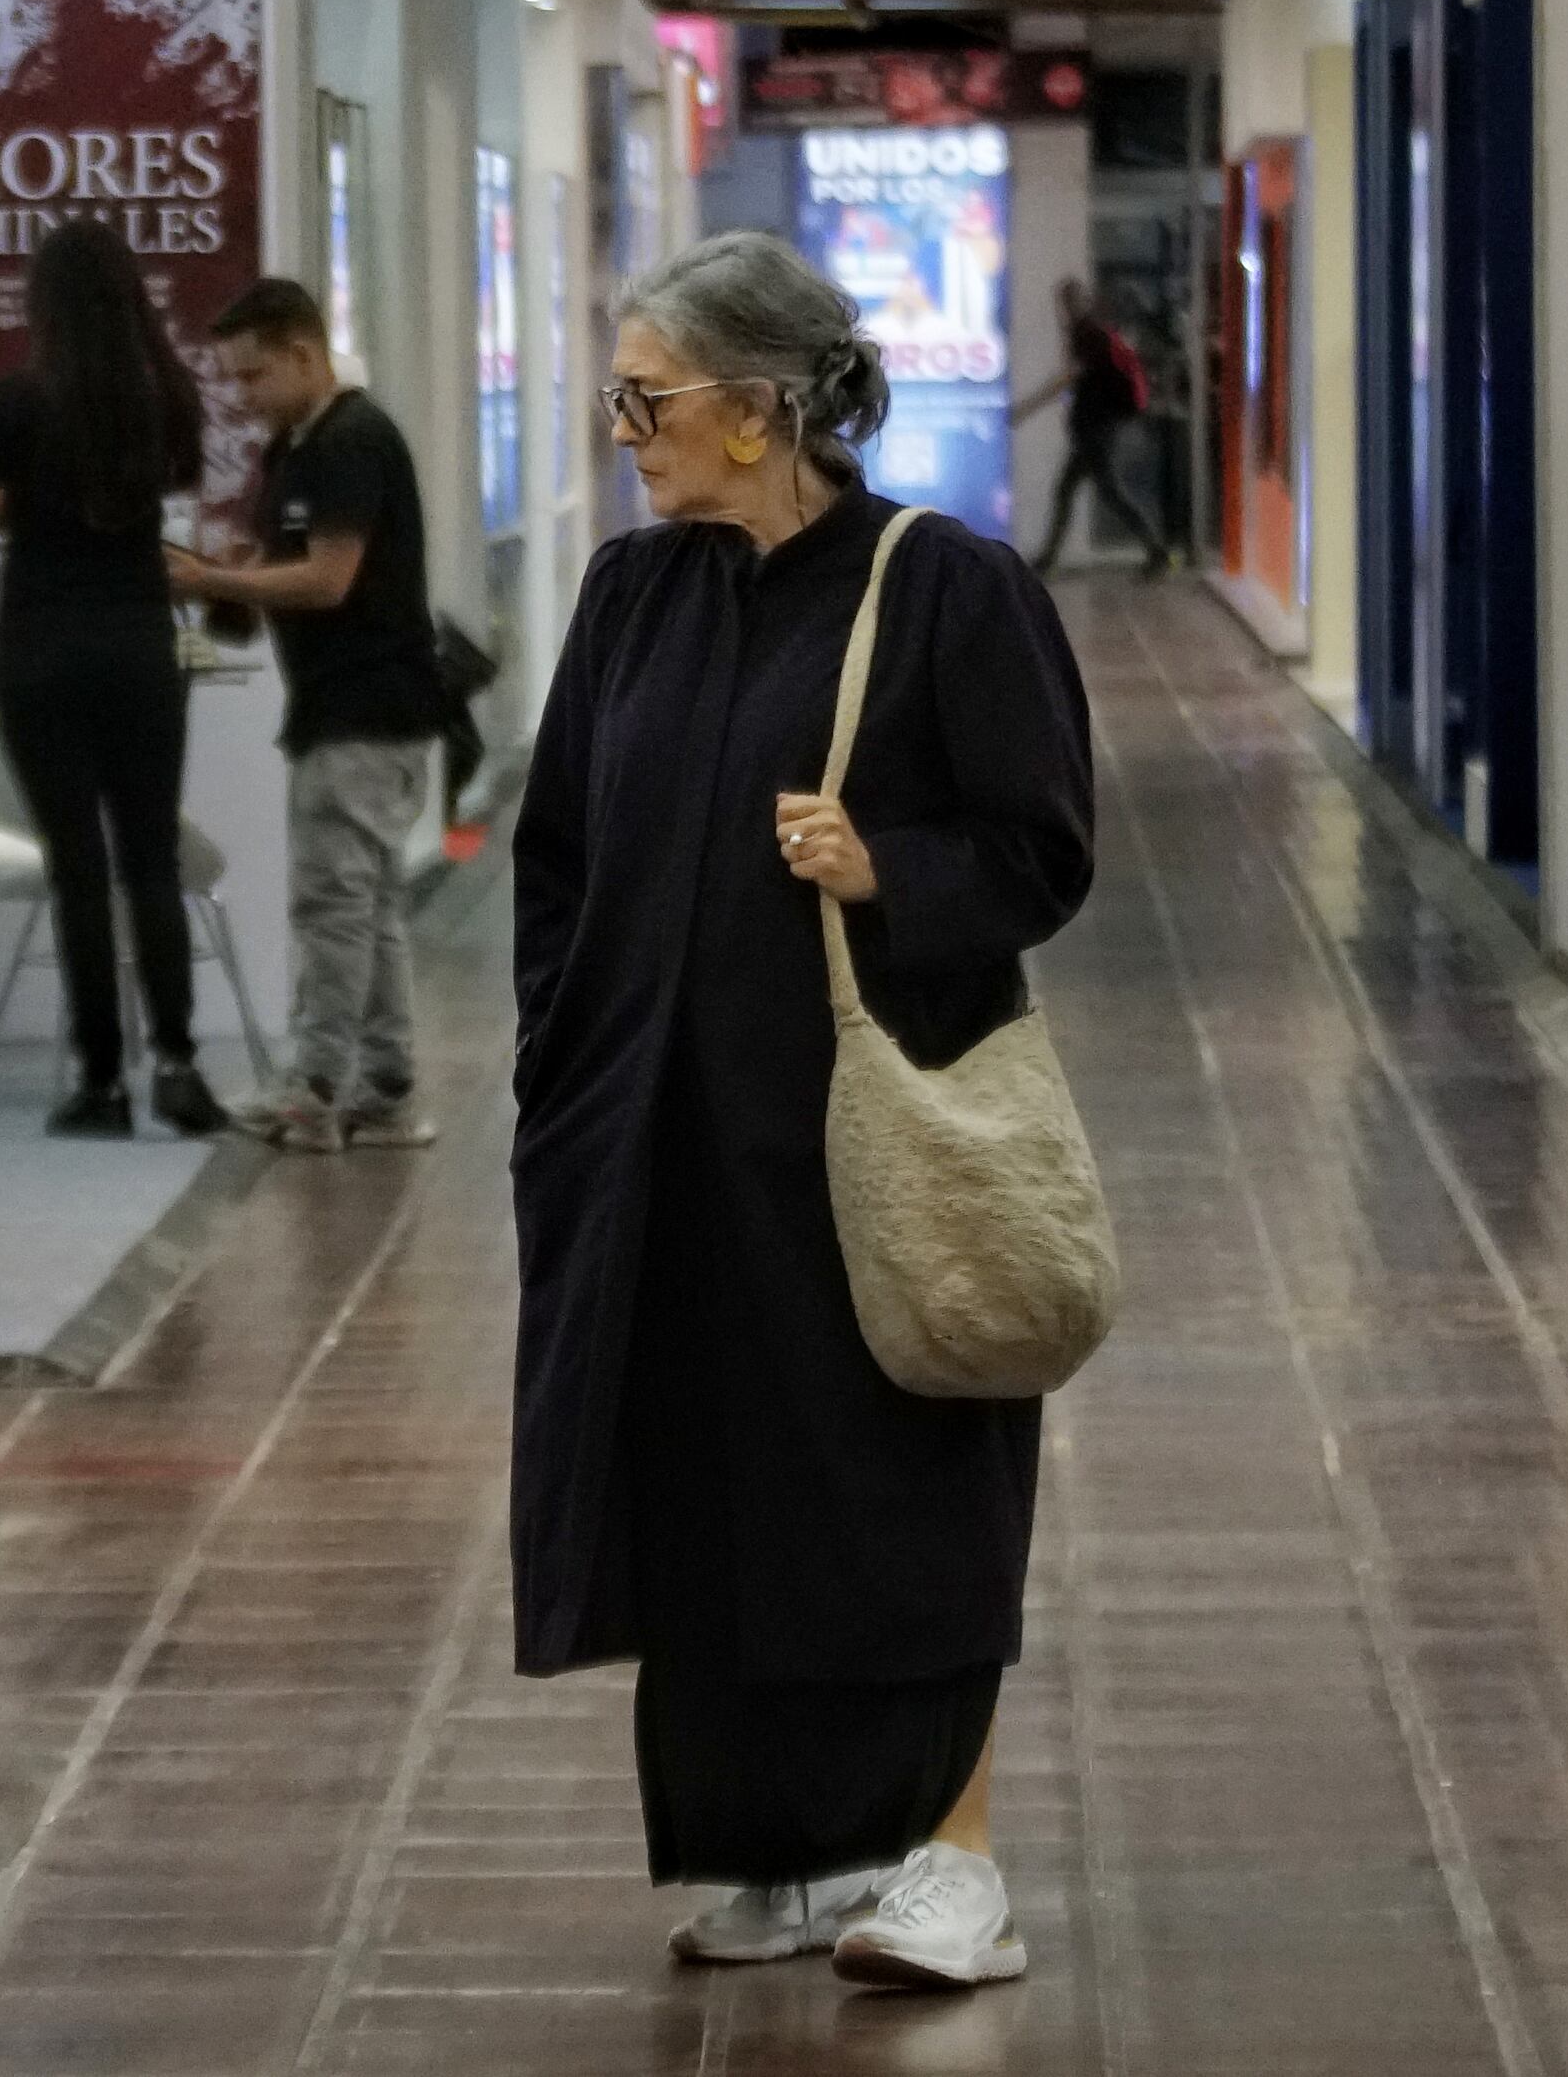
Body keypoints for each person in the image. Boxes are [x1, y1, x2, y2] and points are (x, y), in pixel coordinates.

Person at [507, 228, 1095, 1995]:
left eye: (648, 396)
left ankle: (951, 1859)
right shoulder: (633, 596)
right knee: (705, 1486)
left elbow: (1042, 850)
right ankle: (782, 1845)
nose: (625, 428)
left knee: (902, 1488)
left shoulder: (944, 588)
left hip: (863, 1149)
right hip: (661, 1150)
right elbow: (558, 856)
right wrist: (561, 1066)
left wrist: (885, 866)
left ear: (758, 407)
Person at [0, 218, 229, 1141]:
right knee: (150, 860)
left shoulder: (14, 403)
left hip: (41, 651)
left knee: (78, 867)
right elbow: (107, 486)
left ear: (46, 303)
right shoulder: (163, 398)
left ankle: (100, 1084)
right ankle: (179, 1066)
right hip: (140, 647)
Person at [173, 277, 445, 1157]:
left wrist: (212, 579)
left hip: (364, 708)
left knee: (334, 905)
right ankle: (385, 1089)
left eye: (253, 376)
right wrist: (237, 576)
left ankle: (317, 1088)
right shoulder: (298, 447)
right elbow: (288, 563)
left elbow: (329, 580)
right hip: (356, 707)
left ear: (302, 354)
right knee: (368, 905)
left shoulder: (350, 442)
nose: (242, 397)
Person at [1011, 275, 1169, 578]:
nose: (1064, 308)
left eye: (1067, 301)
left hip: (1096, 429)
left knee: (1103, 491)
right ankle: (1048, 559)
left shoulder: (1088, 334)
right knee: (1074, 490)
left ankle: (1156, 550)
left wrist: (1026, 409)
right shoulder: (1087, 332)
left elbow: (1068, 379)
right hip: (1094, 427)